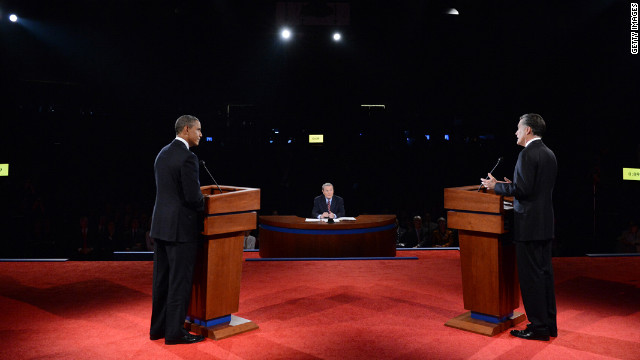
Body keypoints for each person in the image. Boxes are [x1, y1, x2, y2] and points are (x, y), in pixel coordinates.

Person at [481, 113, 558, 341]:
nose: (515, 132)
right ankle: (549, 325)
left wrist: (496, 187)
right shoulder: (549, 153)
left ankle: (538, 327)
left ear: (528, 130)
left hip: (529, 226)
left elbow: (523, 191)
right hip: (544, 225)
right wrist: (511, 186)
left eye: (518, 128)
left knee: (531, 278)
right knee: (544, 277)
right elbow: (533, 189)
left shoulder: (527, 154)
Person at [149, 115, 206, 345]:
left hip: (161, 228)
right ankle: (174, 333)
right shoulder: (188, 158)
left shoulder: (162, 153)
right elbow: (193, 198)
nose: (201, 134)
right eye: (198, 130)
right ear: (186, 130)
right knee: (179, 283)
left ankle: (158, 329)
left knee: (161, 281)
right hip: (181, 231)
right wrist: (207, 206)